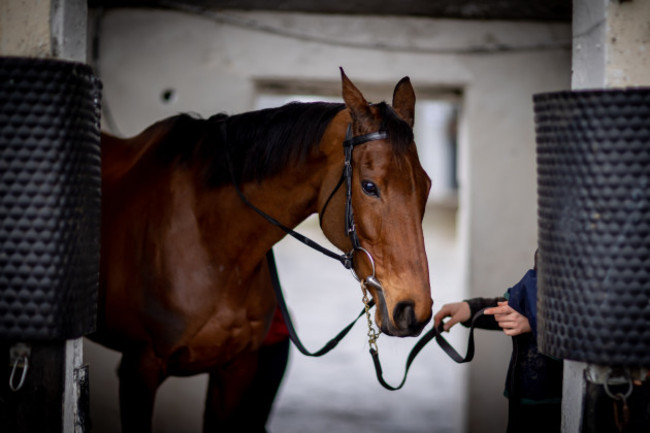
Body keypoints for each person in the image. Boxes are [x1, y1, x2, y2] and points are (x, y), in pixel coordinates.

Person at [433, 250, 562, 433]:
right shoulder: (559, 236)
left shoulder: (600, 254)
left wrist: (537, 324)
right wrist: (471, 309)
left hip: (557, 401)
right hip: (525, 393)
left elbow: (594, 326)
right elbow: (523, 306)